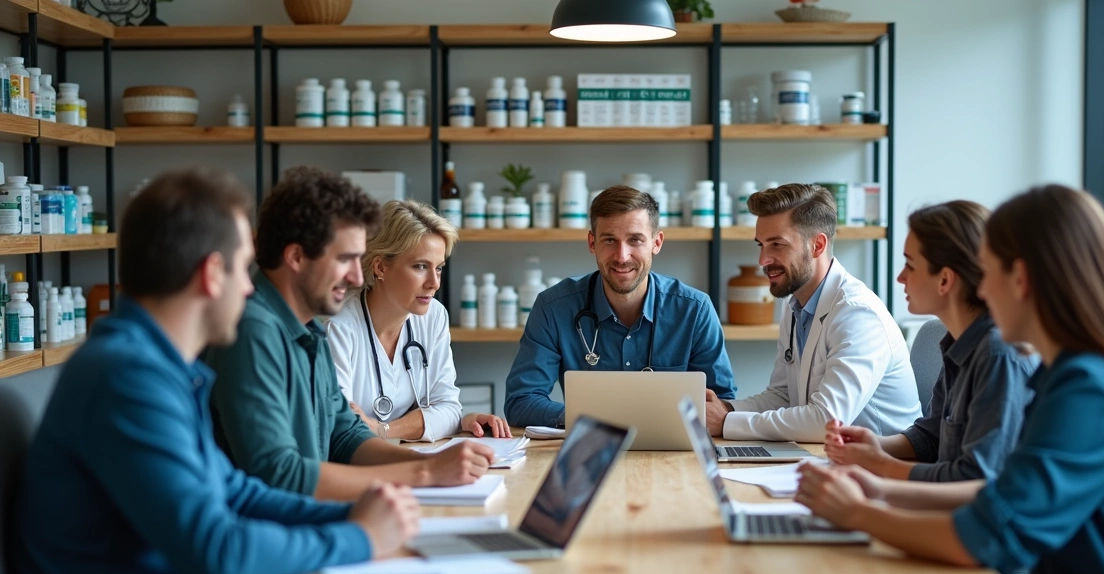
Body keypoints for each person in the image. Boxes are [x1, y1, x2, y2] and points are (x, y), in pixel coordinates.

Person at [9, 169, 420, 574]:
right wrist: (361, 538)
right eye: (243, 268)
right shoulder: (127, 377)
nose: (249, 288)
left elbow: (237, 493)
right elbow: (215, 549)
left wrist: (357, 515)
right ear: (210, 274)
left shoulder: (160, 367)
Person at [797, 184, 1104, 574]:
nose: (982, 288)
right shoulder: (1071, 372)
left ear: (1021, 279)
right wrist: (880, 490)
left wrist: (859, 513)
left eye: (988, 271)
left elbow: (988, 534)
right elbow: (1003, 494)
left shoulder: (1091, 387)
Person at [205, 167, 493, 501]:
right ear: (296, 257)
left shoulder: (309, 328)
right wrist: (424, 473)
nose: (357, 277)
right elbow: (279, 474)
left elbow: (344, 435)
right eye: (345, 259)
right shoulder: (252, 331)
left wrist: (432, 462)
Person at [823, 201, 1036, 481]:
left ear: (944, 280)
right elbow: (932, 436)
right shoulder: (957, 342)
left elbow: (974, 477)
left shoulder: (997, 356)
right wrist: (876, 445)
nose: (900, 277)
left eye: (909, 265)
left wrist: (881, 465)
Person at [505, 185, 736, 428]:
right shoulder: (553, 308)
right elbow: (521, 402)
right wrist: (594, 420)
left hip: (673, 448)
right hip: (590, 445)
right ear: (592, 243)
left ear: (656, 243)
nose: (622, 256)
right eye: (609, 240)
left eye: (635, 240)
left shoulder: (695, 310)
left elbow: (721, 404)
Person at [705, 183, 920, 442]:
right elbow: (783, 396)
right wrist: (725, 409)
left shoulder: (858, 314)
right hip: (826, 455)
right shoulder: (796, 305)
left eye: (777, 244)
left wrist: (727, 422)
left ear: (817, 245)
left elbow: (827, 421)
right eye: (761, 245)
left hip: (876, 462)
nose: (763, 260)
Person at [328, 200, 509, 441]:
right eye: (421, 266)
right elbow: (340, 425)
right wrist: (423, 422)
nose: (434, 283)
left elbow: (449, 409)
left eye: (439, 268)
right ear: (380, 267)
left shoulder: (433, 316)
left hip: (408, 453)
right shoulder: (338, 328)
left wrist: (381, 429)